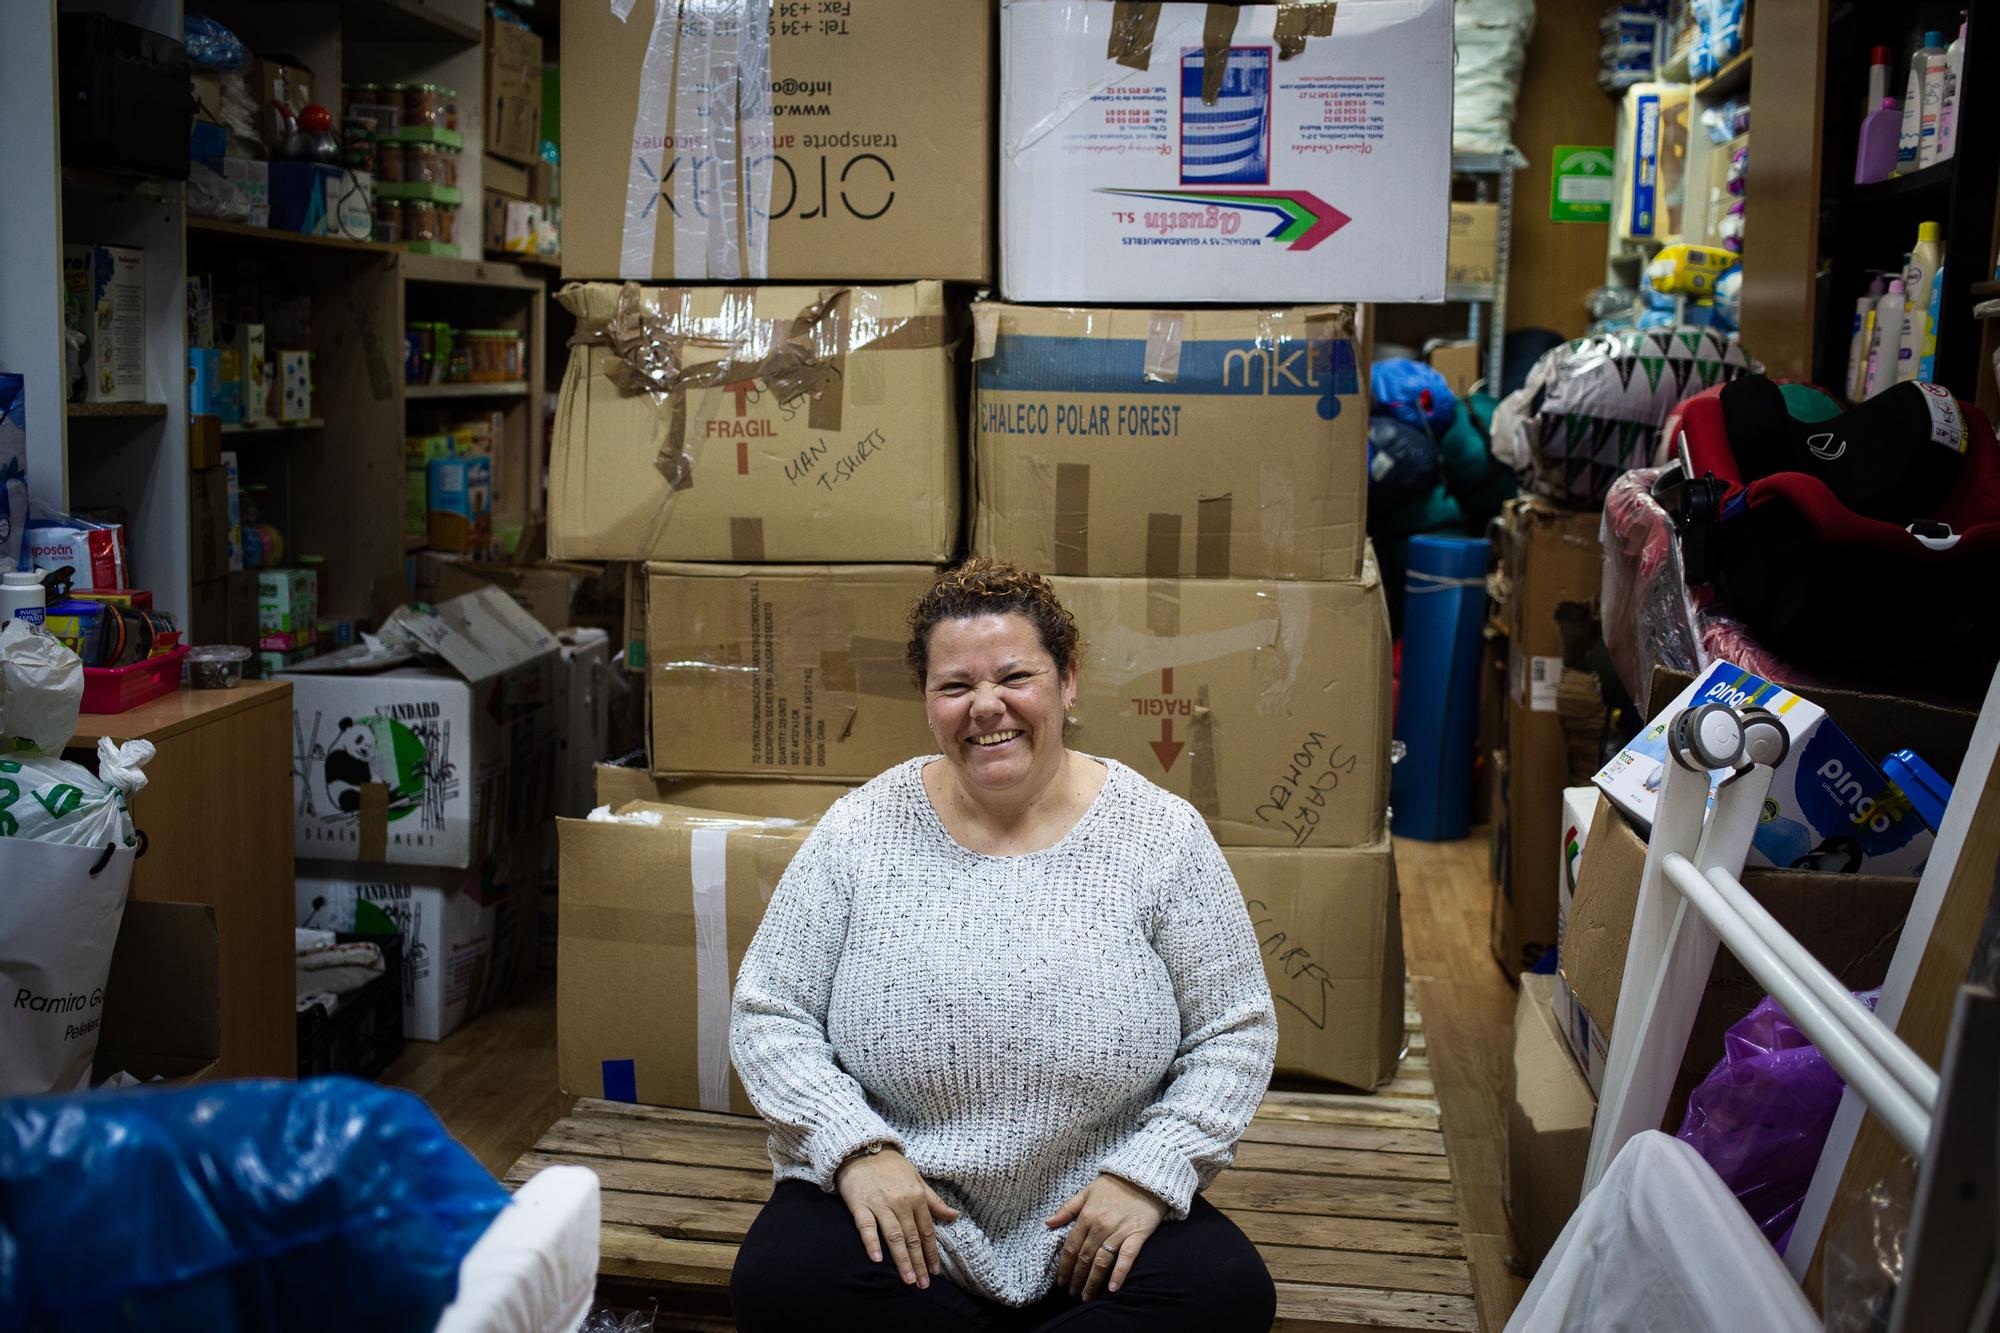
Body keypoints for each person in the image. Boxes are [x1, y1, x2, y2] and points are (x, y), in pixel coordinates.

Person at [728, 558, 1280, 1332]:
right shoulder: (859, 830)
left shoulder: (1162, 835)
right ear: (927, 700)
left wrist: (1150, 1174)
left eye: (1015, 675)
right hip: (905, 1211)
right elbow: (769, 1013)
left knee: (1229, 1292)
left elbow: (1236, 1030)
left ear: (1068, 680)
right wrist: (856, 1150)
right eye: (955, 686)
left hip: (1094, 1219)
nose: (987, 706)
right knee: (777, 1281)